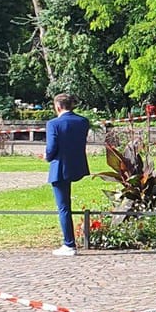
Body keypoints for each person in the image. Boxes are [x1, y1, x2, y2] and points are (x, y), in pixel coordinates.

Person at [45, 93, 91, 256]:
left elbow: (51, 148)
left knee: (64, 207)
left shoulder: (53, 124)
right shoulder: (83, 121)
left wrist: (47, 157)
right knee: (65, 205)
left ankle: (69, 244)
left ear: (57, 106)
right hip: (77, 165)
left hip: (60, 168)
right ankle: (69, 243)